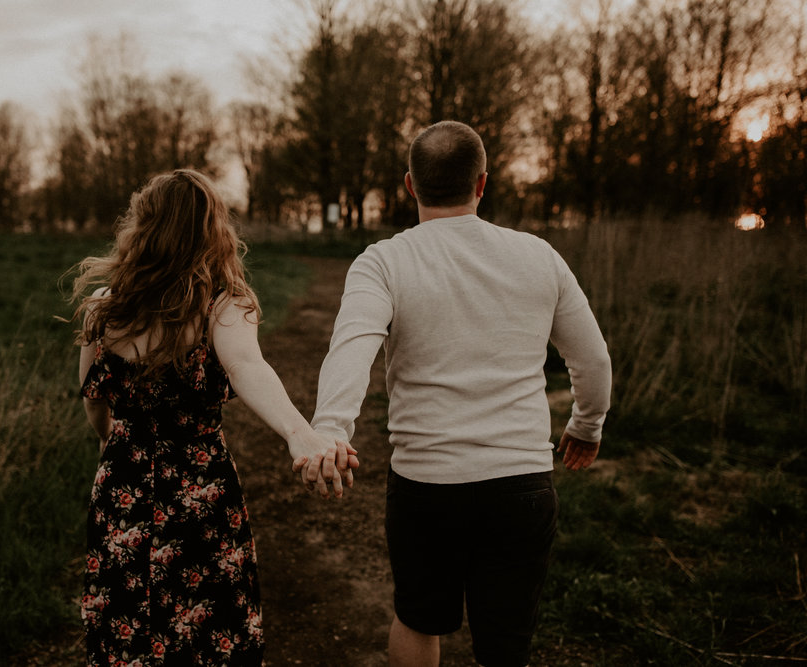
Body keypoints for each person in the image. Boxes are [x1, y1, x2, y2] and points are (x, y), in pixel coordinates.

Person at [310, 121, 612, 667]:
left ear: (410, 185)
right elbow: (592, 360)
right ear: (482, 184)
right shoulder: (539, 256)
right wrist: (586, 426)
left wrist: (331, 429)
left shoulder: (382, 261)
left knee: (420, 621)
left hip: (428, 487)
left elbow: (350, 349)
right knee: (506, 645)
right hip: (521, 483)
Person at [68, 169, 356, 666]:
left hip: (123, 482)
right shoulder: (222, 304)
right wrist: (299, 434)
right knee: (209, 628)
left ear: (143, 227)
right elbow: (247, 366)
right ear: (212, 230)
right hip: (201, 486)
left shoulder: (104, 308)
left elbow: (94, 399)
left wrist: (109, 440)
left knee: (128, 623)